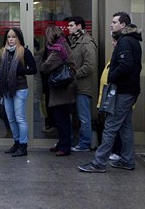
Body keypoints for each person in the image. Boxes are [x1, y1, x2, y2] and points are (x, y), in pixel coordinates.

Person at [78, 12, 142, 173]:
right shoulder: (131, 40)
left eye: (114, 22)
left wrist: (112, 76)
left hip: (123, 91)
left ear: (123, 25)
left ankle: (99, 163)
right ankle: (127, 160)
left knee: (111, 126)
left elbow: (125, 65)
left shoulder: (126, 41)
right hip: (129, 90)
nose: (111, 25)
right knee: (125, 126)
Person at [0, 27, 37, 157]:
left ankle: (23, 146)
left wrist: (19, 70)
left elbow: (33, 69)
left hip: (20, 89)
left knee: (20, 118)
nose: (11, 39)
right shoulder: (2, 52)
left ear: (19, 38)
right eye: (9, 37)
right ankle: (16, 142)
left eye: (14, 37)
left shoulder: (24, 52)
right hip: (6, 89)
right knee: (11, 118)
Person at [40, 27, 77, 157]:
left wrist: (43, 62)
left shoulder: (58, 49)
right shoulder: (64, 45)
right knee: (62, 118)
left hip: (62, 89)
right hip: (65, 88)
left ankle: (65, 146)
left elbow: (45, 67)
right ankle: (62, 144)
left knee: (62, 119)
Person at [67, 16, 97, 152]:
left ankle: (85, 143)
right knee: (76, 116)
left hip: (83, 87)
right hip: (74, 86)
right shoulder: (74, 41)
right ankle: (76, 141)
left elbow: (90, 65)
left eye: (71, 25)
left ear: (79, 26)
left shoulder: (86, 42)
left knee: (84, 116)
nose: (68, 28)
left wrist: (74, 74)